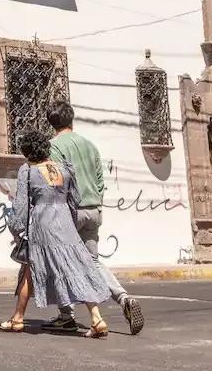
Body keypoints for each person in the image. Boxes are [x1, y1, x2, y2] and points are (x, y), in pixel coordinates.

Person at [45, 101, 146, 336]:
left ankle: (66, 315)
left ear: (51, 123)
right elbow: (100, 180)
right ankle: (123, 298)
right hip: (93, 209)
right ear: (71, 119)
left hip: (71, 211)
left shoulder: (53, 147)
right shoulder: (90, 146)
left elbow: (57, 180)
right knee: (92, 261)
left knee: (61, 261)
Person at [0, 129, 111, 337]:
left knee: (29, 269)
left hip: (43, 224)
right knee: (77, 268)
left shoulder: (28, 172)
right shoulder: (65, 170)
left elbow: (21, 205)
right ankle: (96, 318)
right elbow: (74, 200)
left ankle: (18, 320)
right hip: (65, 222)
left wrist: (16, 229)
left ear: (29, 153)